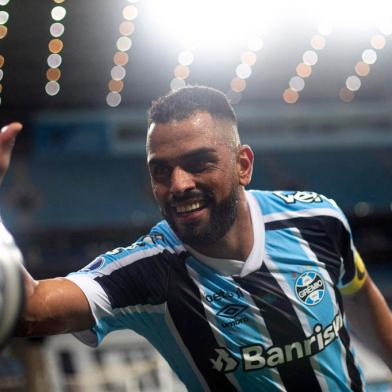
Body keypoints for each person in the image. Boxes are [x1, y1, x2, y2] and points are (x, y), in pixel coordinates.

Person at [1, 86, 391, 391]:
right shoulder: (149, 271)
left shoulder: (317, 219)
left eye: (198, 163)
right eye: (160, 171)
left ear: (243, 165)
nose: (178, 185)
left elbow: (357, 291)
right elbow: (31, 309)